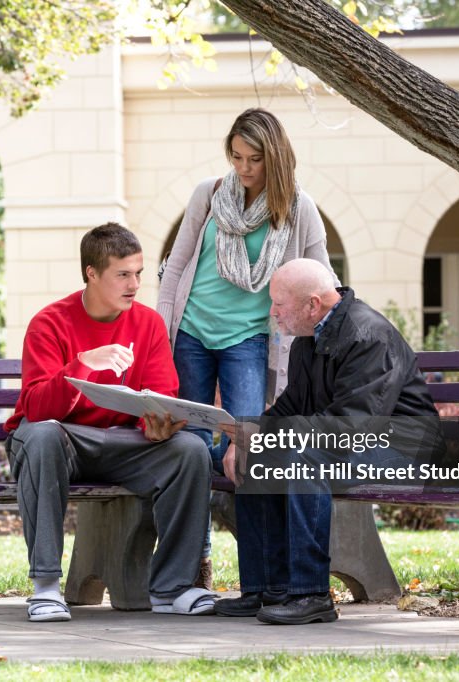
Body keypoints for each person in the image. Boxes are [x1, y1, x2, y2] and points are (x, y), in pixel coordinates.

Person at [156, 107, 340, 585]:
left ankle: (257, 580)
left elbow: (324, 281)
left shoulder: (300, 210)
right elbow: (175, 267)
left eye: (254, 158)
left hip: (249, 340)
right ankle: (196, 562)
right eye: (236, 156)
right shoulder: (210, 194)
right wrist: (161, 329)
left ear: (275, 158)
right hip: (191, 333)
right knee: (189, 448)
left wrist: (334, 337)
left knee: (249, 452)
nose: (243, 168)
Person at [4, 222, 215, 622]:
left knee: (190, 451)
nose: (134, 284)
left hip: (123, 443)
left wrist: (157, 424)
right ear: (92, 273)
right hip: (62, 439)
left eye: (138, 273)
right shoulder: (50, 323)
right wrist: (81, 367)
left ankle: (172, 588)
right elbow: (35, 406)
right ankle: (46, 588)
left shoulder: (148, 323)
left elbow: (161, 395)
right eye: (123, 274)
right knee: (44, 435)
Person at [217, 258, 443, 624]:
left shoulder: (368, 335)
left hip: (403, 448)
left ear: (312, 304)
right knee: (256, 457)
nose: (272, 312)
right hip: (350, 442)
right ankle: (265, 588)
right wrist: (248, 435)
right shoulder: (310, 336)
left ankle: (311, 594)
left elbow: (354, 425)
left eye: (279, 302)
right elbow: (293, 403)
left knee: (305, 459)